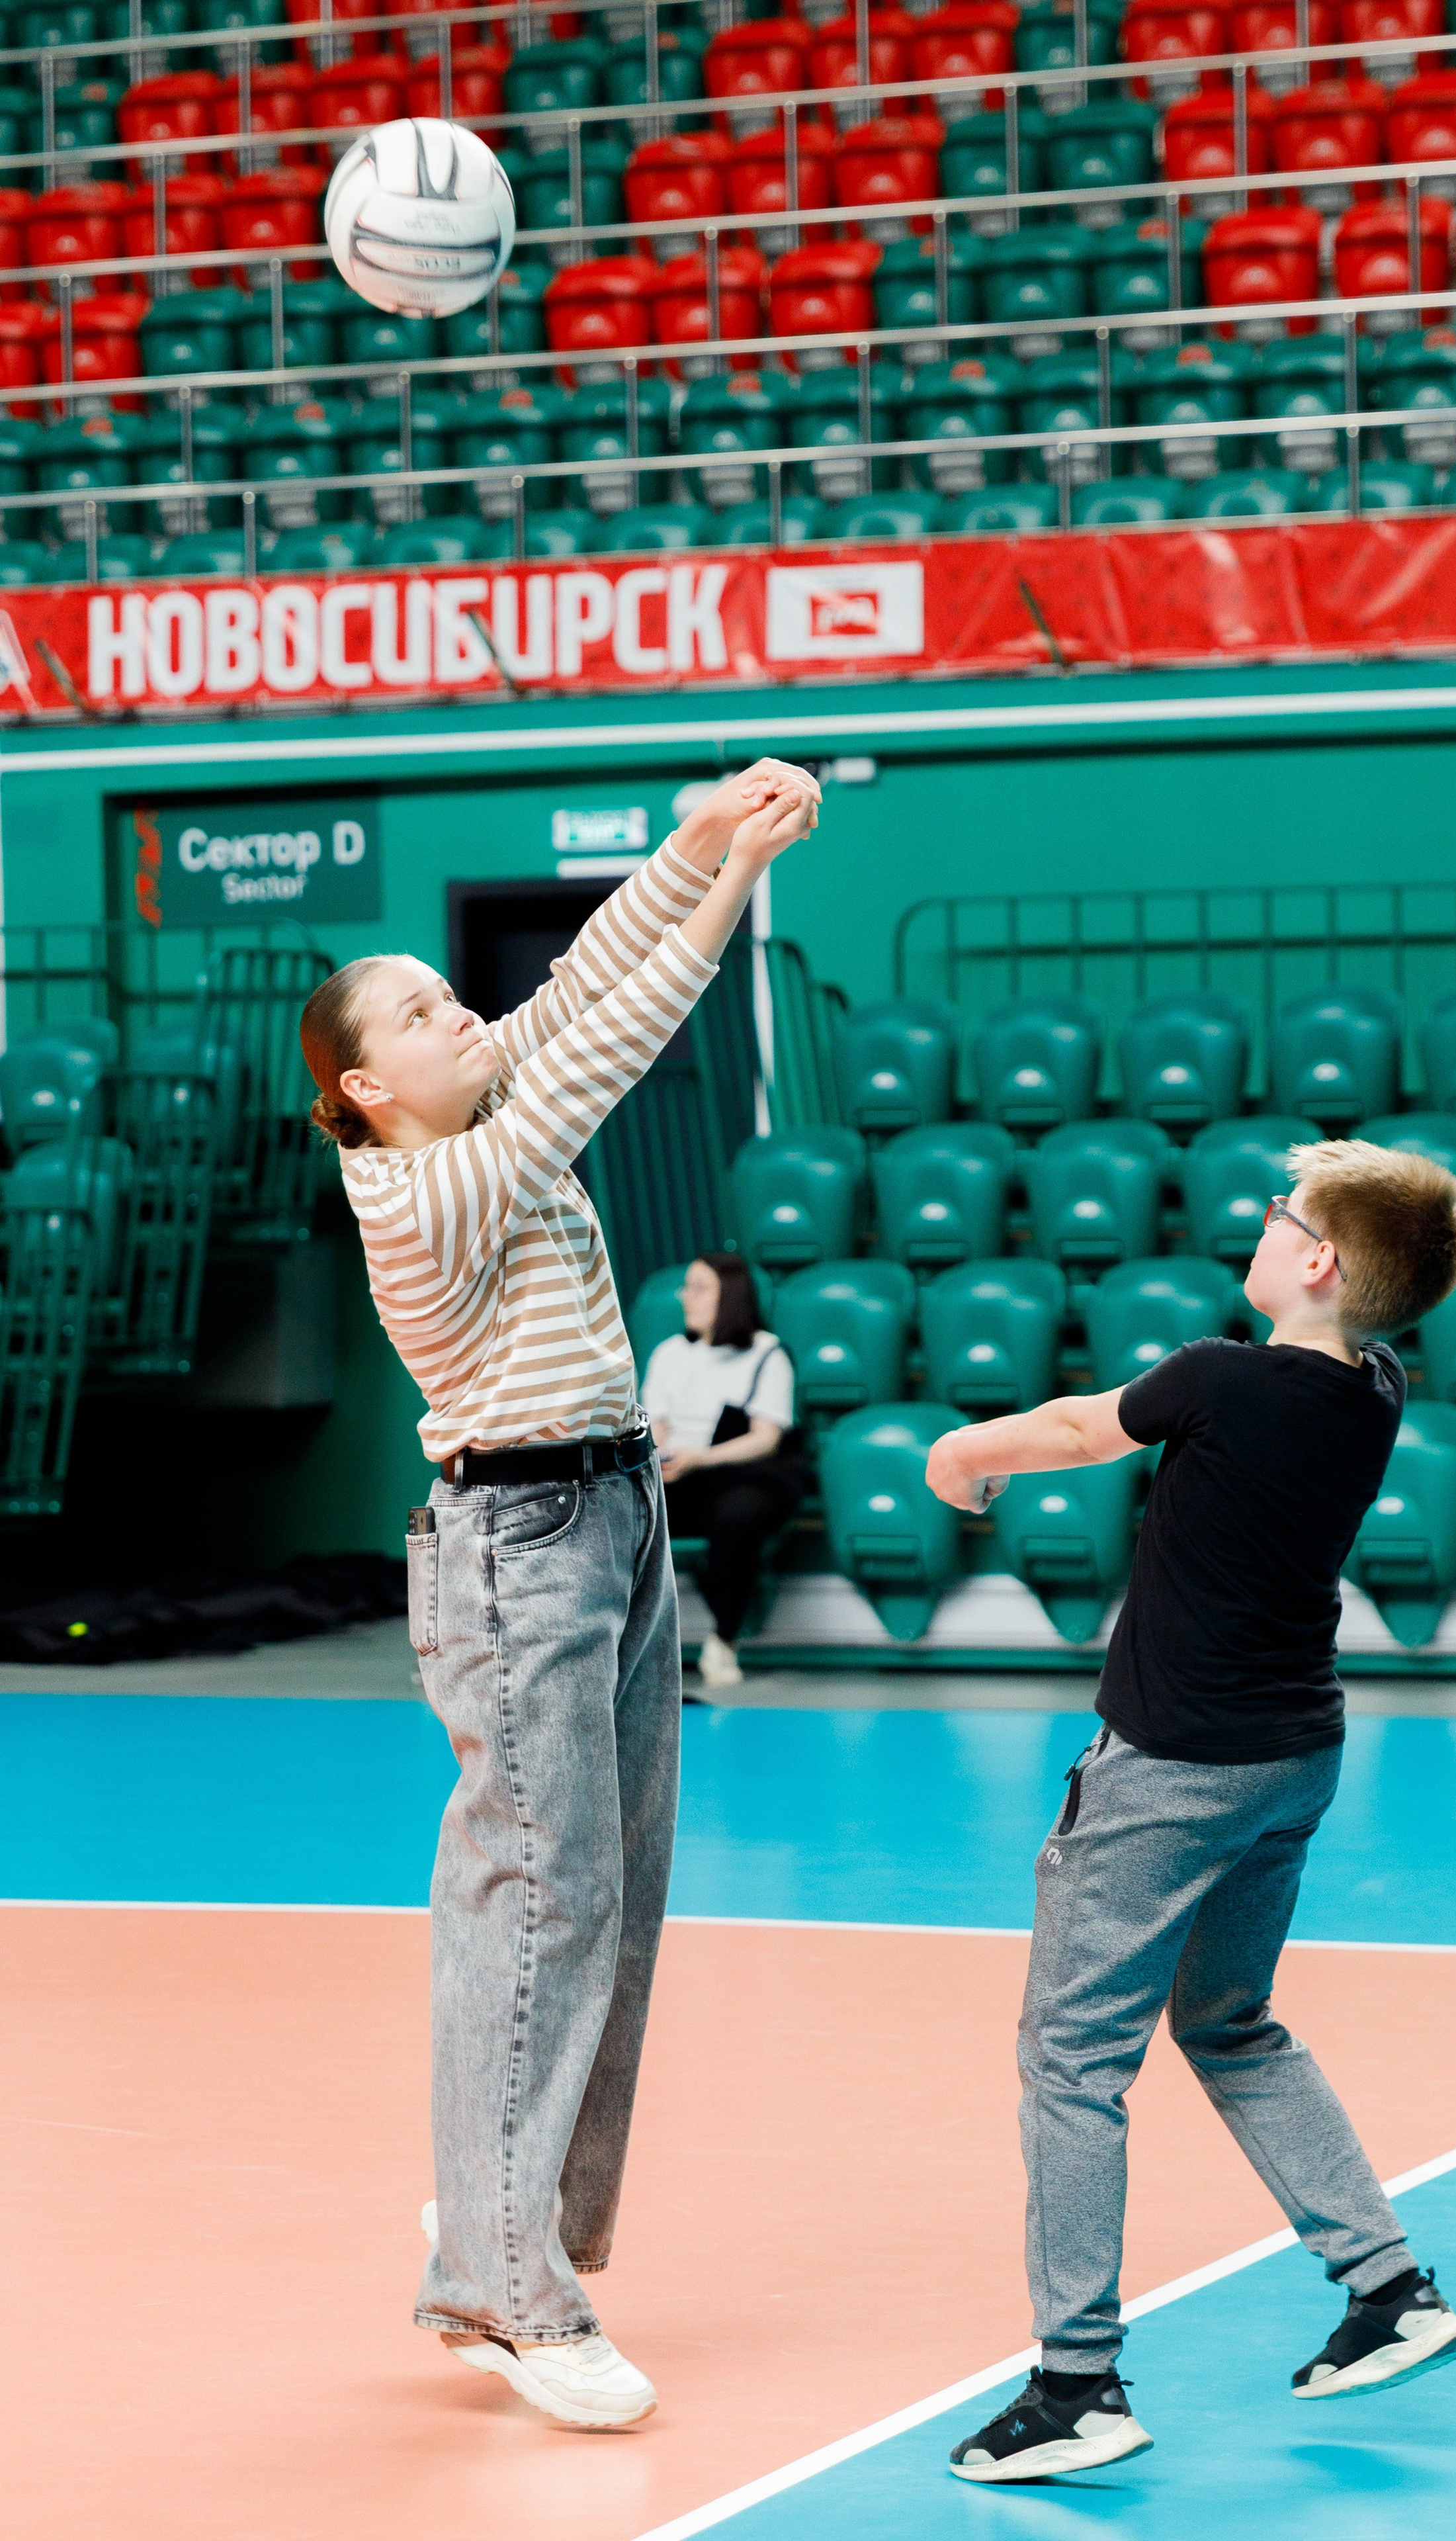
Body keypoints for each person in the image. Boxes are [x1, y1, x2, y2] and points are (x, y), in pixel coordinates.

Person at [297, 761, 820, 2434]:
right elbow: (611, 1041)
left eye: (451, 998)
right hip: (519, 1552)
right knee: (541, 1908)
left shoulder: (466, 1097)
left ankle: (505, 2223)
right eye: (426, 1014)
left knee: (613, 1898)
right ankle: (510, 2292)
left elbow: (582, 976)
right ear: (367, 1089)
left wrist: (689, 839)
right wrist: (732, 875)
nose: (466, 1018)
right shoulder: (427, 1184)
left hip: (617, 1520)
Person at [924, 1140, 1456, 2485]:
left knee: (1071, 2060)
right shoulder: (1375, 1387)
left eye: (1280, 1213)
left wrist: (959, 1450)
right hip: (1291, 1760)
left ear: (1316, 1263)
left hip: (1167, 1774)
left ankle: (1074, 2386)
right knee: (1227, 2021)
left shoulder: (1219, 1377)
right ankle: (1385, 2289)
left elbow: (1074, 1430)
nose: (1259, 1223)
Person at [640, 1251, 803, 1691]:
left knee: (737, 1518)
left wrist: (701, 1458)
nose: (686, 1299)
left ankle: (724, 1640)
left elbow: (765, 1437)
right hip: (682, 1473)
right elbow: (656, 1426)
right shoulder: (669, 1354)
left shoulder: (768, 1353)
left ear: (729, 1295)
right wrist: (668, 1459)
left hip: (745, 1472)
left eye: (698, 1288)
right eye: (686, 1288)